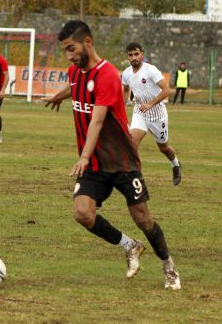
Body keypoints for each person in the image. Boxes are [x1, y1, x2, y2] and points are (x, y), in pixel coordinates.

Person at [43, 20, 181, 290]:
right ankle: (129, 246)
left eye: (72, 49)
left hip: (121, 161)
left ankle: (169, 266)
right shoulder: (75, 71)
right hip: (96, 163)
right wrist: (59, 96)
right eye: (66, 51)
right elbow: (74, 86)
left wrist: (83, 157)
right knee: (82, 213)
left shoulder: (107, 75)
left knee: (142, 218)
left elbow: (97, 121)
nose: (69, 56)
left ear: (88, 42)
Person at [122, 43, 182, 186]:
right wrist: (121, 109)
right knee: (132, 143)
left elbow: (166, 90)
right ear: (127, 57)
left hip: (157, 115)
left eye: (136, 54)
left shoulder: (151, 70)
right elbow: (125, 90)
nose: (134, 58)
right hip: (140, 112)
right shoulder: (126, 73)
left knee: (164, 148)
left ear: (142, 54)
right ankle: (137, 180)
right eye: (130, 55)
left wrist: (150, 104)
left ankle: (176, 165)